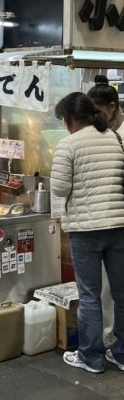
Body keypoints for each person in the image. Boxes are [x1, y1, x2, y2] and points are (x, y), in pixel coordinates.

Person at [51, 91, 124, 373]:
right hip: (119, 225)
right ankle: (120, 353)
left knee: (90, 295)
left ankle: (91, 356)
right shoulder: (115, 138)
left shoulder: (69, 145)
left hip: (86, 229)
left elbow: (59, 189)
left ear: (70, 118)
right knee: (121, 294)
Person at [87, 76, 124, 345]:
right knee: (105, 286)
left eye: (97, 111)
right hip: (107, 212)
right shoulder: (102, 132)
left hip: (116, 214)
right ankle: (109, 339)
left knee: (114, 287)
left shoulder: (120, 134)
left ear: (112, 107)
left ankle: (111, 340)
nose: (94, 117)